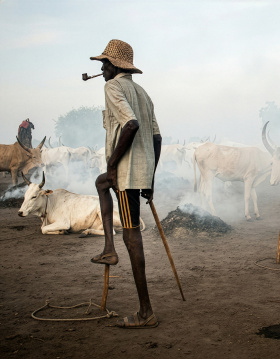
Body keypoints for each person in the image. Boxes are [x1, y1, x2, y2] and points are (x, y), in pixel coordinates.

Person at [89, 39, 162, 329]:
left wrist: (112, 164)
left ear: (115, 66)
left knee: (132, 238)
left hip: (127, 174)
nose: (102, 68)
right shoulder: (142, 92)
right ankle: (109, 246)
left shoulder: (113, 87)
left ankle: (146, 312)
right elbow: (157, 137)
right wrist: (151, 177)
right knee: (100, 183)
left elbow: (130, 124)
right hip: (140, 173)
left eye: (105, 63)